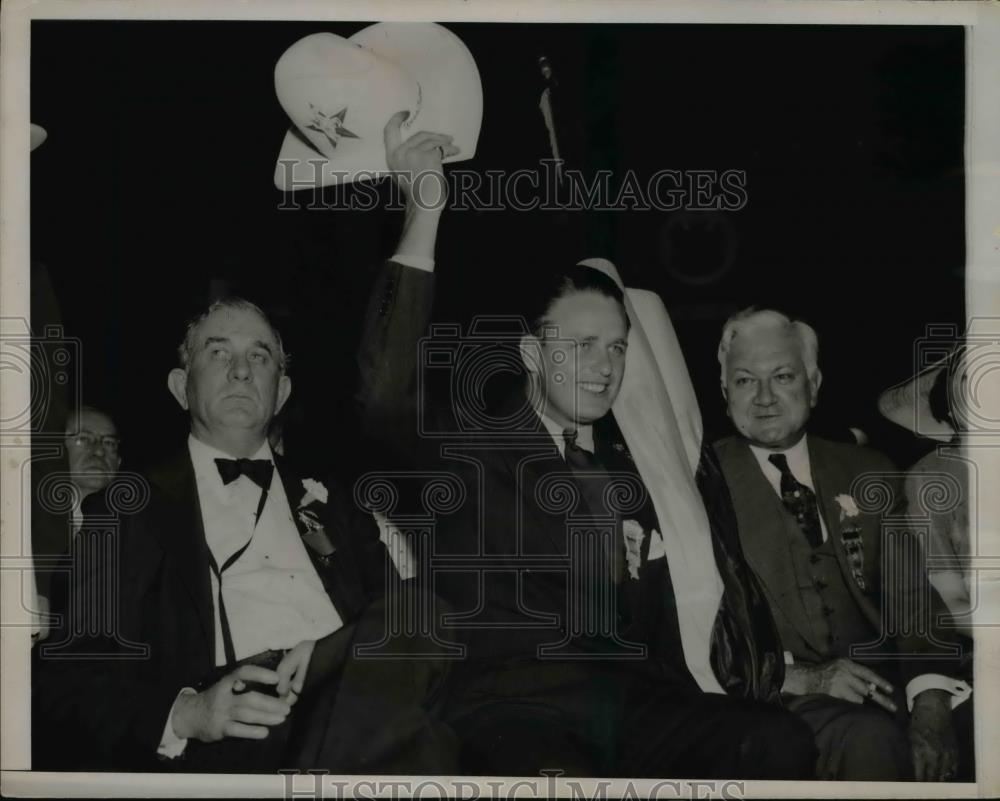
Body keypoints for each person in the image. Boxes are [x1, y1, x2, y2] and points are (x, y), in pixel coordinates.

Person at [355, 113, 816, 778]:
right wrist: (424, 213)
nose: (605, 366)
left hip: (629, 702)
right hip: (514, 707)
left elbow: (657, 637)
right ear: (530, 353)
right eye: (581, 346)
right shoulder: (466, 447)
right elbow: (381, 393)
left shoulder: (623, 473)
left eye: (617, 347)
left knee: (779, 742)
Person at [33, 298, 457, 773]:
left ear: (281, 392)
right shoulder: (130, 508)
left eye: (259, 356)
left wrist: (331, 654)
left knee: (422, 611)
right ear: (181, 388)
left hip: (349, 686)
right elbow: (65, 675)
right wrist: (186, 714)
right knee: (424, 747)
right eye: (218, 353)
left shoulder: (334, 504)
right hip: (240, 727)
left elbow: (405, 624)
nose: (240, 371)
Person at [712, 308, 971, 781]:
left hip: (892, 690)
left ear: (813, 383)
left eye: (783, 376)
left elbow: (913, 601)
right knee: (870, 742)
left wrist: (931, 701)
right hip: (778, 700)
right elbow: (693, 626)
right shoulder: (700, 482)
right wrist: (795, 676)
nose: (765, 397)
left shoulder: (869, 469)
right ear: (725, 391)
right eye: (746, 380)